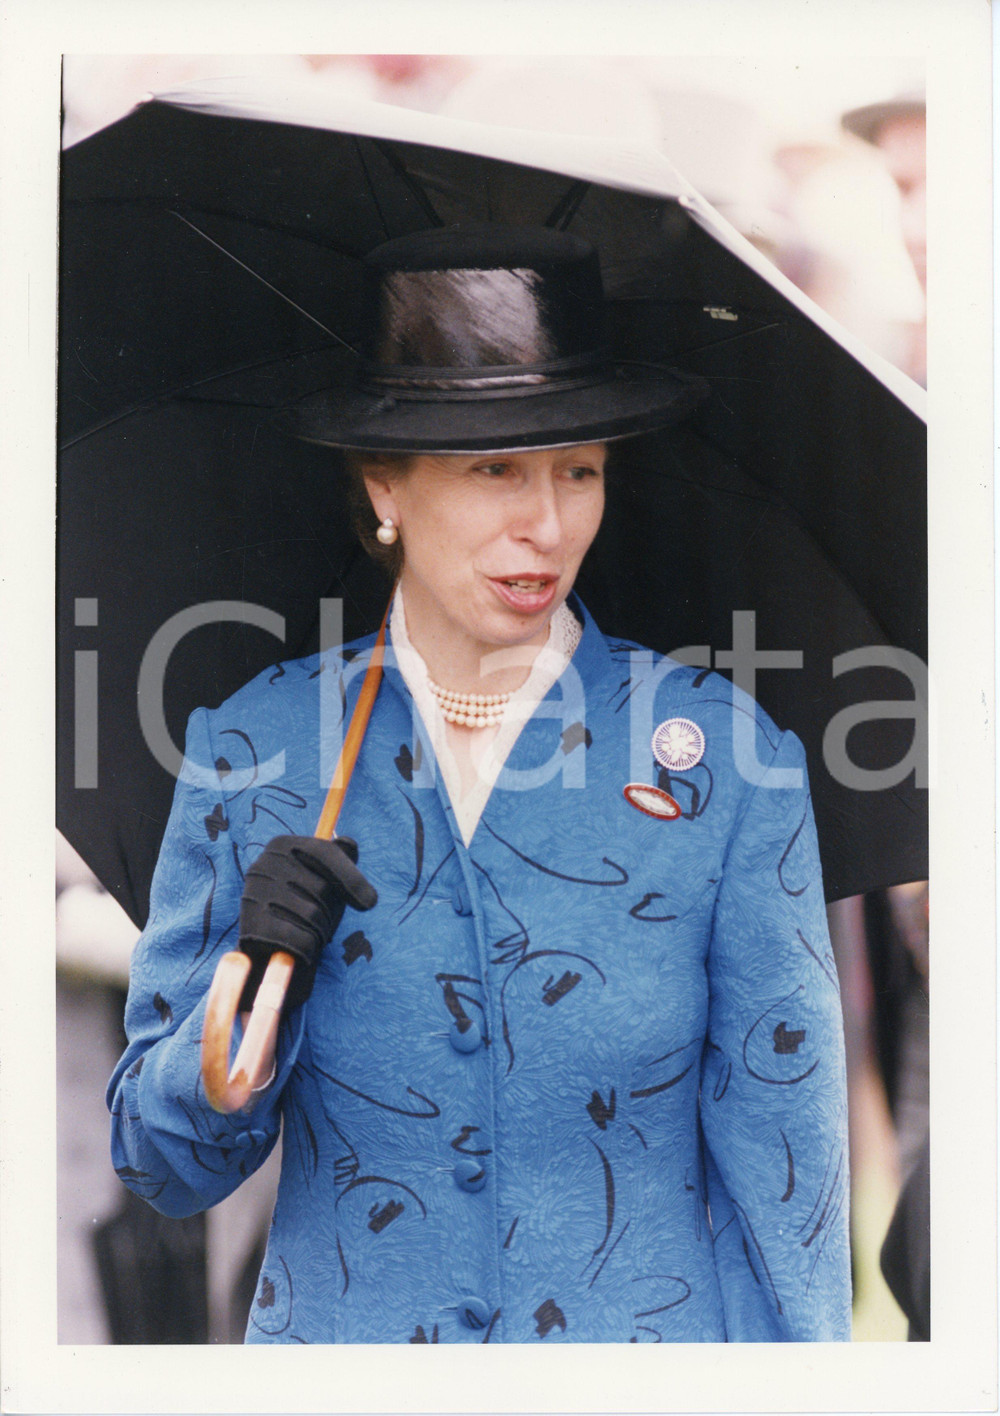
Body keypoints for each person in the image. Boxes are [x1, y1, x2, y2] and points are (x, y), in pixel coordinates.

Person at [108, 225, 851, 1344]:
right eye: (494, 467)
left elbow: (790, 1180)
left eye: (579, 470)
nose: (546, 524)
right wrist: (242, 1005)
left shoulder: (726, 763)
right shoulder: (258, 748)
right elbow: (161, 1167)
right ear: (384, 485)